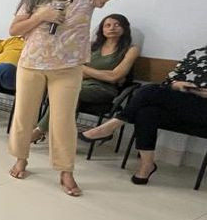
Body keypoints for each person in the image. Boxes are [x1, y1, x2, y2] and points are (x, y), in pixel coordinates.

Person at [6, 0, 159, 196]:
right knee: (24, 116)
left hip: (67, 69)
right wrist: (41, 16)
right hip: (31, 66)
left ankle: (66, 171)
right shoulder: (34, 0)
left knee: (63, 120)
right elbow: (14, 29)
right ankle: (21, 158)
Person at [80, 45, 207, 185]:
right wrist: (177, 85)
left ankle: (112, 125)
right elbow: (169, 81)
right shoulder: (197, 53)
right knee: (146, 112)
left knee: (149, 90)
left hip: (202, 111)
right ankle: (147, 165)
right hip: (183, 102)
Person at [30, 14, 140, 142]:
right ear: (102, 29)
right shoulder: (91, 46)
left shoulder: (131, 50)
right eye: (107, 25)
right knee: (67, 95)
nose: (112, 28)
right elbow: (74, 69)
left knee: (67, 92)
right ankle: (61, 138)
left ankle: (40, 131)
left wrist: (85, 69)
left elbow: (115, 76)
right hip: (80, 84)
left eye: (117, 25)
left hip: (104, 90)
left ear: (125, 28)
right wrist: (101, 73)